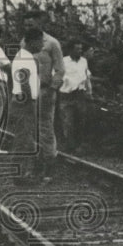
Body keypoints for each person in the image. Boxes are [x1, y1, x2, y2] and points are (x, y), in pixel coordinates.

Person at [20, 10, 63, 180]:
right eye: (26, 25)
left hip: (46, 91)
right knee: (29, 129)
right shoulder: (24, 42)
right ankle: (35, 165)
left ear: (39, 24)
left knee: (45, 128)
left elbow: (60, 69)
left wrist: (52, 88)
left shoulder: (52, 43)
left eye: (31, 24)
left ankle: (50, 166)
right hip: (29, 91)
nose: (28, 27)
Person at [8, 29, 43, 183]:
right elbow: (23, 82)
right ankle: (20, 176)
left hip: (23, 102)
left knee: (25, 139)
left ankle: (23, 175)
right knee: (23, 140)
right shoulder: (24, 58)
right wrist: (29, 103)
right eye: (40, 41)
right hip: (24, 103)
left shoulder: (26, 57)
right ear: (32, 41)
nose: (42, 44)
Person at [58, 39, 92, 152]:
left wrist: (89, 91)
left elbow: (87, 77)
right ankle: (69, 146)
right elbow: (57, 76)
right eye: (77, 49)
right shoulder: (63, 61)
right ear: (70, 50)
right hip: (66, 95)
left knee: (81, 120)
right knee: (68, 121)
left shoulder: (84, 61)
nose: (79, 51)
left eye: (81, 49)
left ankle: (79, 146)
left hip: (80, 95)